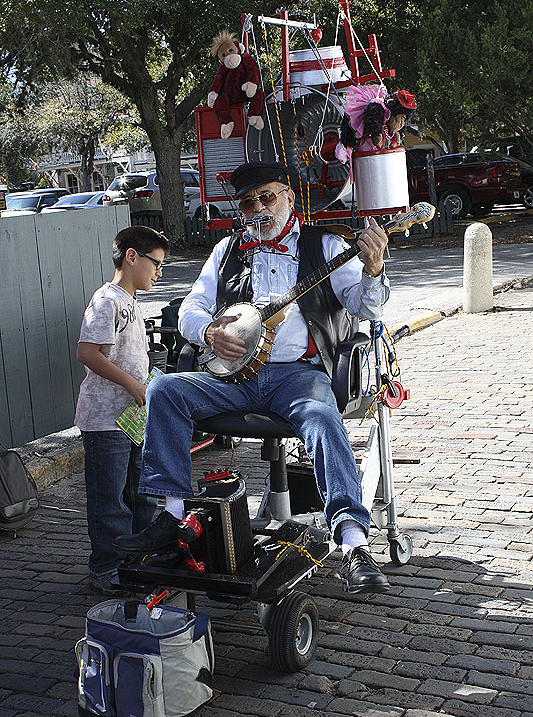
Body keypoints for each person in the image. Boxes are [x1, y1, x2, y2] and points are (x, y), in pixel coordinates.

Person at [115, 162, 390, 594]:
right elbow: (191, 307)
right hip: (234, 379)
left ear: (289, 198)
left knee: (321, 418)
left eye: (268, 197)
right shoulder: (227, 250)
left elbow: (367, 307)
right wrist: (208, 332)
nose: (259, 208)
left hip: (298, 376)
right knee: (164, 387)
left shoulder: (327, 246)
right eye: (248, 202)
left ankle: (354, 543)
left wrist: (373, 270)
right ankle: (171, 515)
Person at [75, 225, 170, 594]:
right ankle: (105, 569)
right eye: (156, 264)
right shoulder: (107, 300)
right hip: (104, 420)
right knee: (110, 499)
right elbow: (87, 352)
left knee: (141, 493)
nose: (159, 272)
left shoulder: (131, 301)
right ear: (131, 257)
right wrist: (132, 384)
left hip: (131, 418)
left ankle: (136, 560)